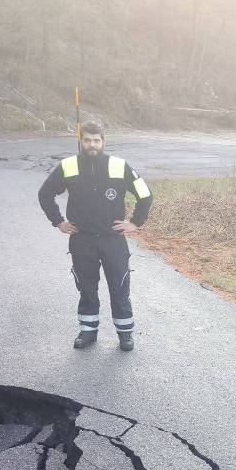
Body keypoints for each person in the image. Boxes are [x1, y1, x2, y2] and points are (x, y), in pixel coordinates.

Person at [38, 122, 153, 352]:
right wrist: (59, 222)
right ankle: (88, 331)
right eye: (87, 140)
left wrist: (135, 222)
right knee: (87, 287)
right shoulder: (69, 166)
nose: (92, 145)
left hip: (113, 240)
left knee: (119, 287)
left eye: (96, 140)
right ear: (80, 141)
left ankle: (125, 334)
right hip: (82, 240)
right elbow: (45, 193)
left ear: (103, 142)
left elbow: (145, 194)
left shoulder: (119, 166)